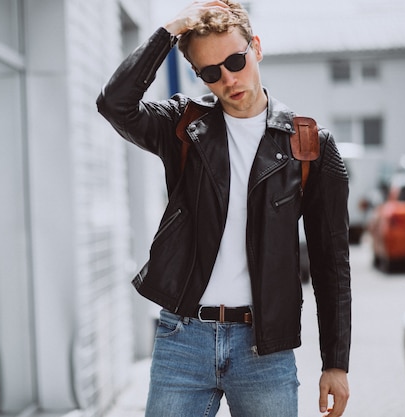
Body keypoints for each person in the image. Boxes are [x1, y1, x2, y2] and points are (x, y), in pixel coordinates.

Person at [97, 1, 351, 416]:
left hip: (264, 349)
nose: (229, 79)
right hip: (183, 339)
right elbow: (115, 104)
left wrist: (335, 362)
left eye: (236, 60)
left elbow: (332, 264)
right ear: (200, 76)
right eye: (211, 72)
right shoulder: (184, 126)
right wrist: (169, 30)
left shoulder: (310, 147)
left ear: (257, 47)